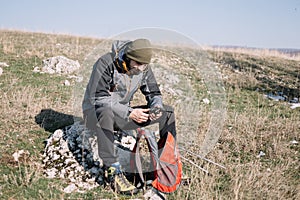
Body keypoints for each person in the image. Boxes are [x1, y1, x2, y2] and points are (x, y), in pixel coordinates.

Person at [82, 38, 177, 195]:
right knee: (105, 111)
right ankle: (112, 171)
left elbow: (153, 92)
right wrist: (129, 112)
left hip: (122, 114)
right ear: (128, 56)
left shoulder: (143, 68)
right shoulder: (105, 63)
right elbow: (99, 98)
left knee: (167, 113)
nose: (140, 69)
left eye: (144, 65)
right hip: (94, 114)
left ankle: (168, 164)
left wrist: (156, 107)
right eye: (137, 64)